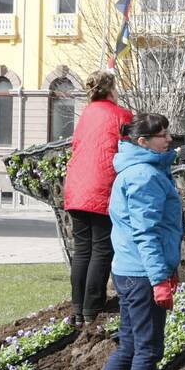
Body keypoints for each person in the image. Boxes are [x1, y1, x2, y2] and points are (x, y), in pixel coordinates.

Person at [85, 113, 184, 370]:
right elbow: (146, 233)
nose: (168, 139)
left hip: (129, 271)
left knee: (129, 344)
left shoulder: (134, 171)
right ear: (143, 142)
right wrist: (159, 279)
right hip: (142, 274)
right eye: (162, 135)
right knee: (148, 348)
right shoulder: (145, 176)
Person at [63, 70, 133, 328]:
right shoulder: (121, 115)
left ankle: (77, 308)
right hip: (102, 187)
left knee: (82, 249)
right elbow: (130, 149)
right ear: (111, 89)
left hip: (77, 187)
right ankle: (93, 308)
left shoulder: (86, 115)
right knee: (102, 248)